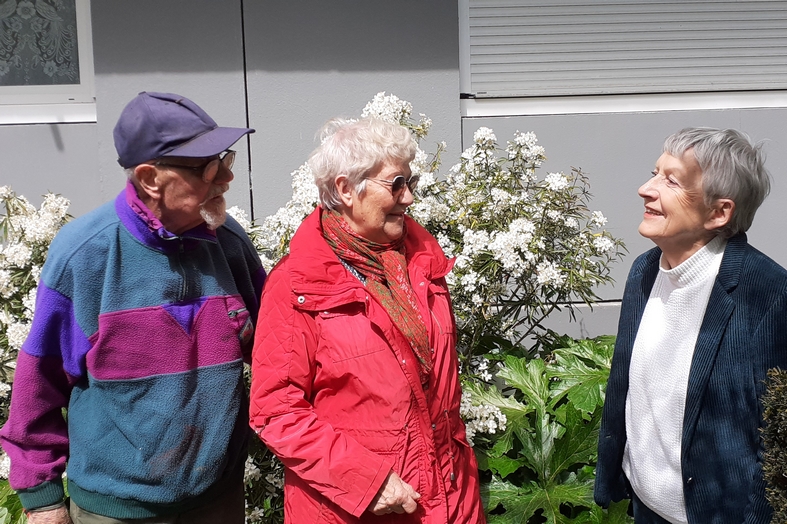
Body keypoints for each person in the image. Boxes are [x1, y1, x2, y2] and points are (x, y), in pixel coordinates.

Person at [0, 92, 267, 524]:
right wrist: (43, 500)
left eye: (226, 160)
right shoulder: (84, 255)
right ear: (149, 178)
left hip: (217, 500)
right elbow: (39, 386)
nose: (226, 179)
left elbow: (277, 354)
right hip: (117, 509)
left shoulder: (229, 243)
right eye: (209, 169)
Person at [249, 117, 485, 523]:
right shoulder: (296, 283)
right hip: (357, 508)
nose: (408, 197)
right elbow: (276, 409)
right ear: (344, 189)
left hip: (450, 499)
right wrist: (367, 481)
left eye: (410, 182)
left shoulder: (422, 263)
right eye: (395, 184)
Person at [594, 127, 787, 523]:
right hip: (645, 506)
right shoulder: (644, 271)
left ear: (719, 212)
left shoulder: (767, 294)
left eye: (671, 181)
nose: (645, 189)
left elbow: (777, 439)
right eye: (654, 172)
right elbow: (627, 386)